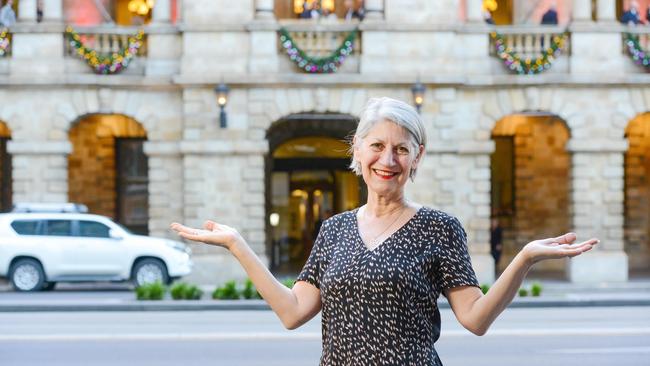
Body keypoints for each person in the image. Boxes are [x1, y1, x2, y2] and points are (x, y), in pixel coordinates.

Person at [171, 97, 599, 365]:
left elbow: (475, 320)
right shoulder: (334, 229)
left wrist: (524, 258)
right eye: (377, 145)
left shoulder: (439, 227)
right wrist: (236, 244)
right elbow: (292, 312)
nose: (387, 159)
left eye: (401, 149)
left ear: (417, 158)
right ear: (357, 150)